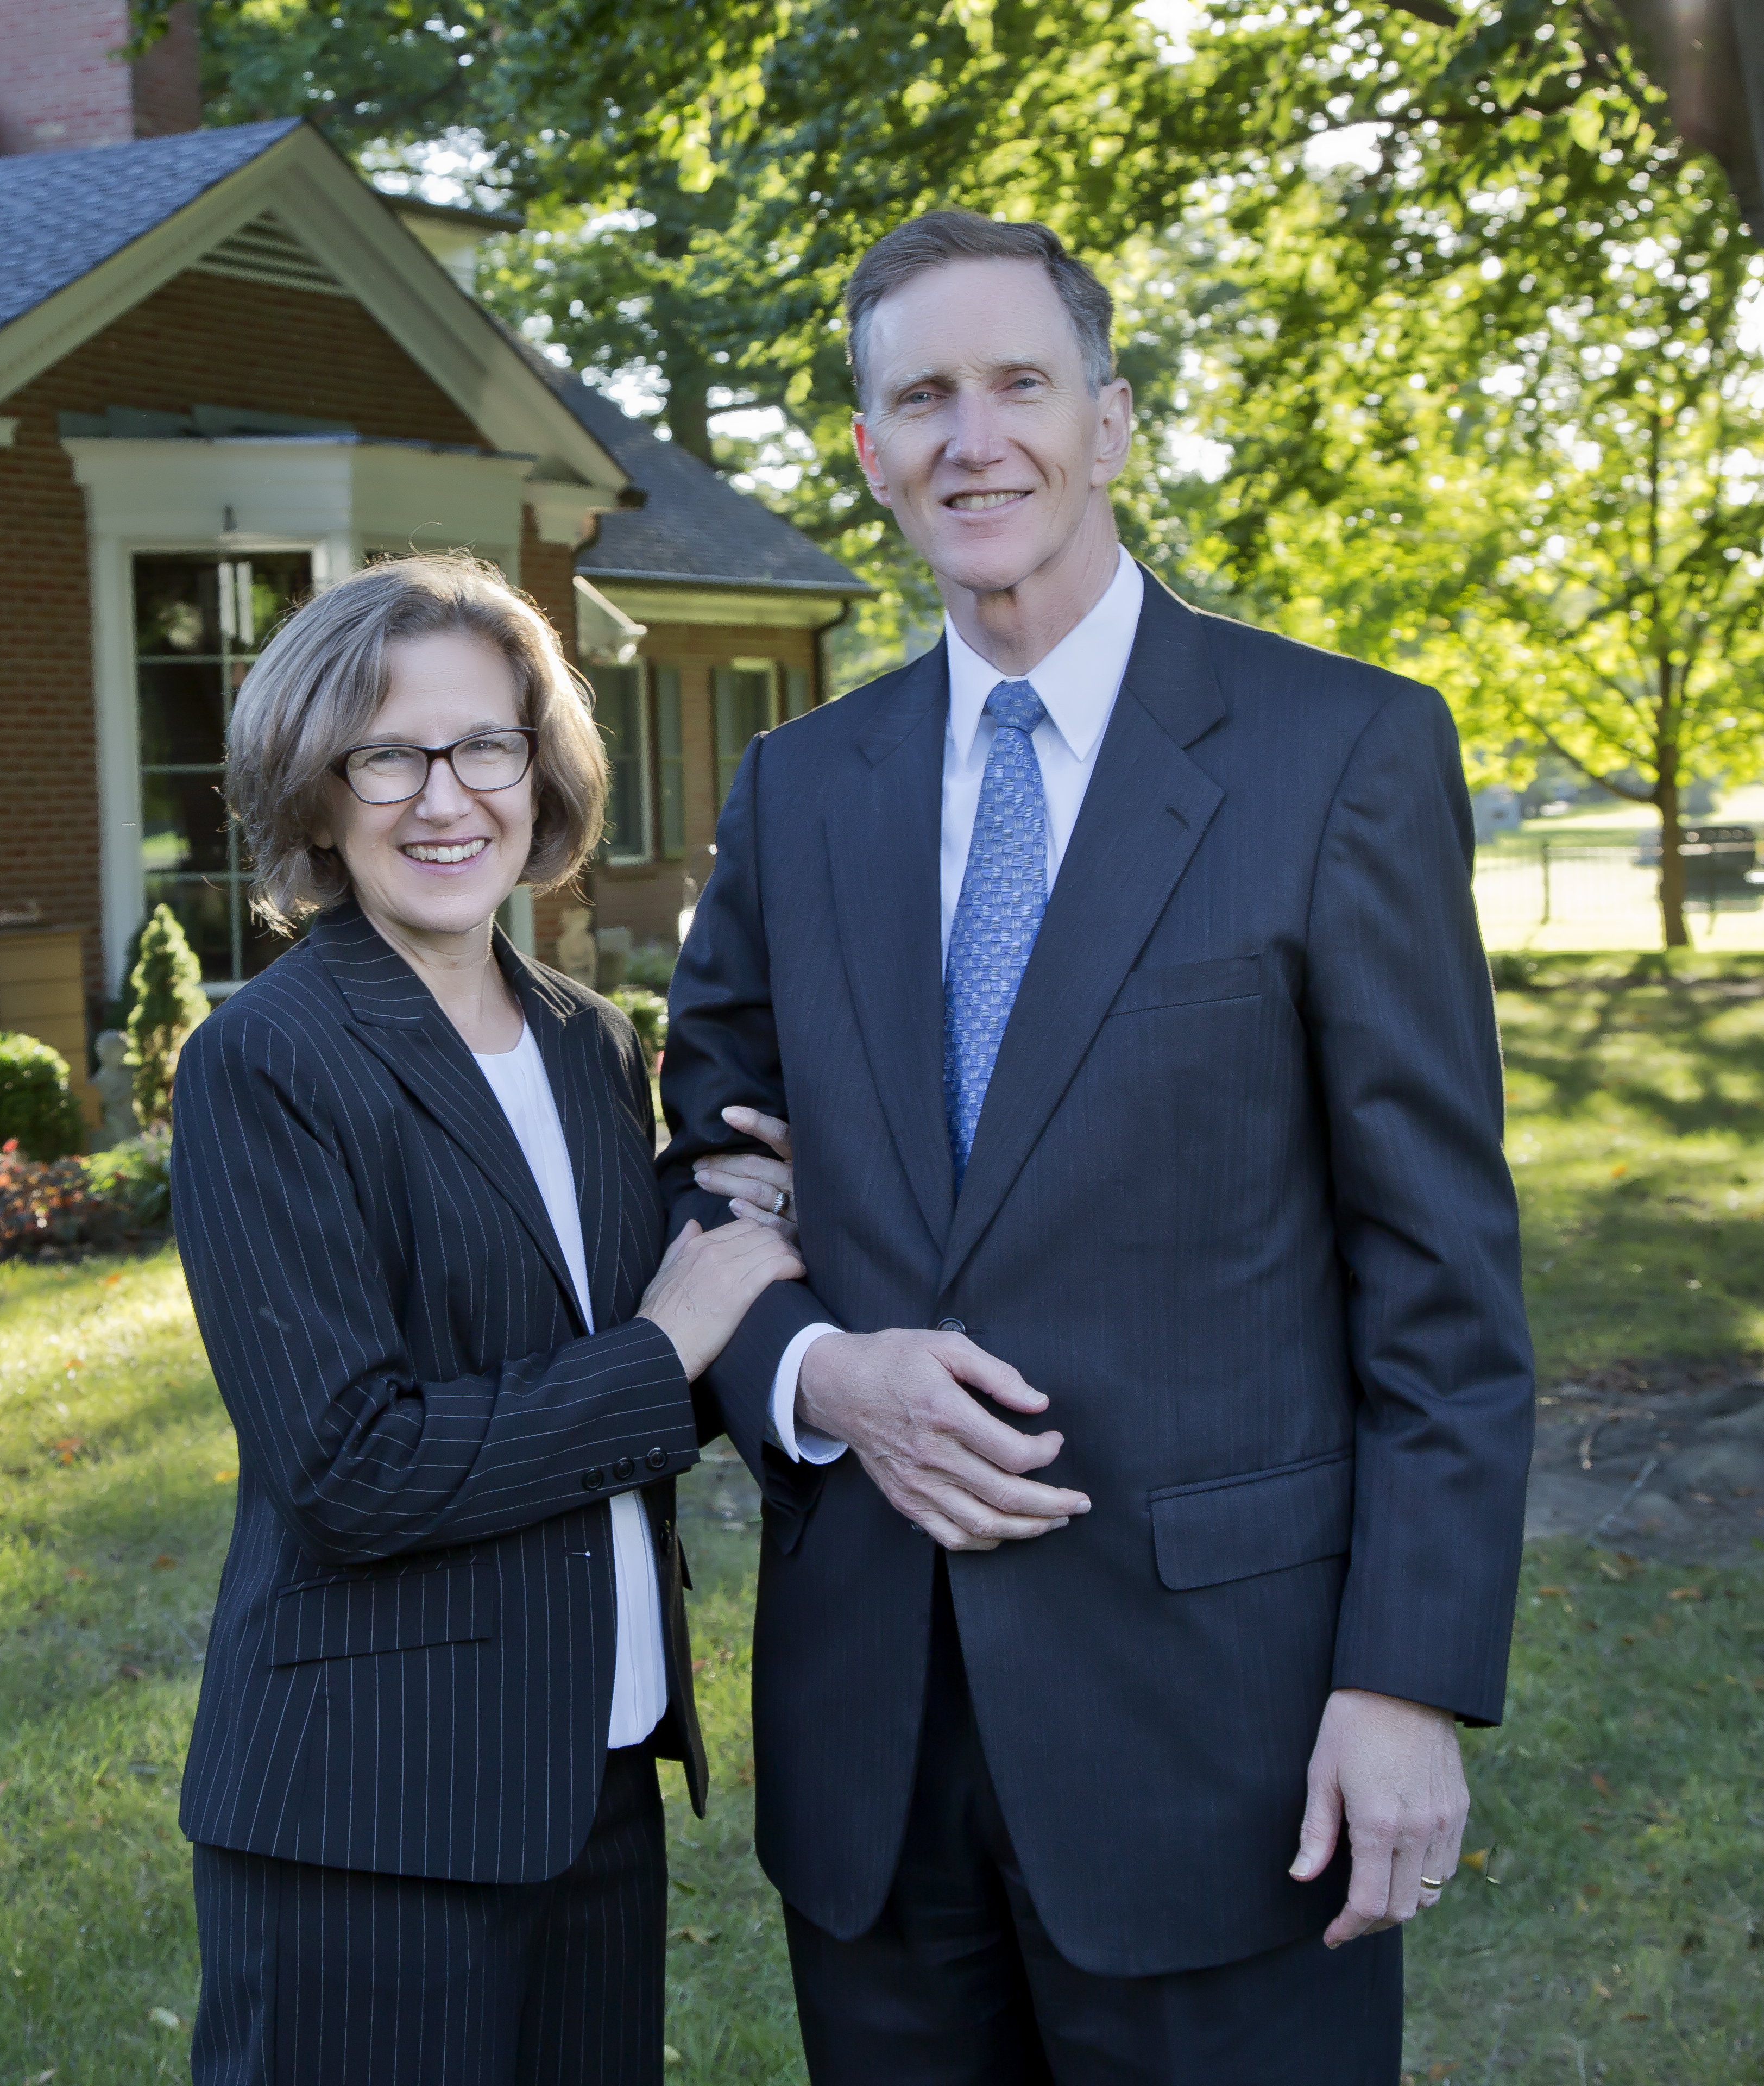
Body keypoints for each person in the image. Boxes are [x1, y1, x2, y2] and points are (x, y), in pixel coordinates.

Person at [659, 211, 1536, 2080]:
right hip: (876, 1743)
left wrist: (1407, 1680)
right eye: (921, 401)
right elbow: (705, 1164)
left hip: (1226, 1739)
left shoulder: (1343, 754)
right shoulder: (802, 791)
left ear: (1114, 425)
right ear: (873, 456)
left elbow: (1439, 1270)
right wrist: (815, 1372)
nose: (974, 440)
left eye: (1017, 385)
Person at [167, 552, 802, 2085]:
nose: (444, 797)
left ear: (544, 771)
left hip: (591, 1772)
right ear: (317, 795)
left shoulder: (591, 1043)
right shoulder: (267, 1063)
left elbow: (621, 1376)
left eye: (485, 747)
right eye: (386, 754)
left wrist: (763, 1249)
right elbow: (352, 1466)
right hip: (373, 1810)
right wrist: (673, 1339)